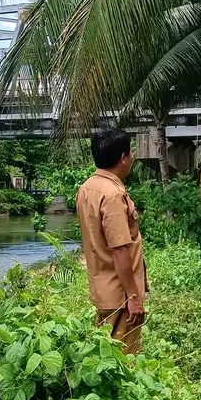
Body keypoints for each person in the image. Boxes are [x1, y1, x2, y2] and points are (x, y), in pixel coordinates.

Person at [74, 128, 147, 355]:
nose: (133, 156)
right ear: (122, 158)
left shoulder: (86, 188)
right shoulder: (113, 195)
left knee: (104, 356)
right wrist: (133, 298)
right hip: (120, 295)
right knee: (122, 361)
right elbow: (119, 250)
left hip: (102, 288)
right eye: (131, 152)